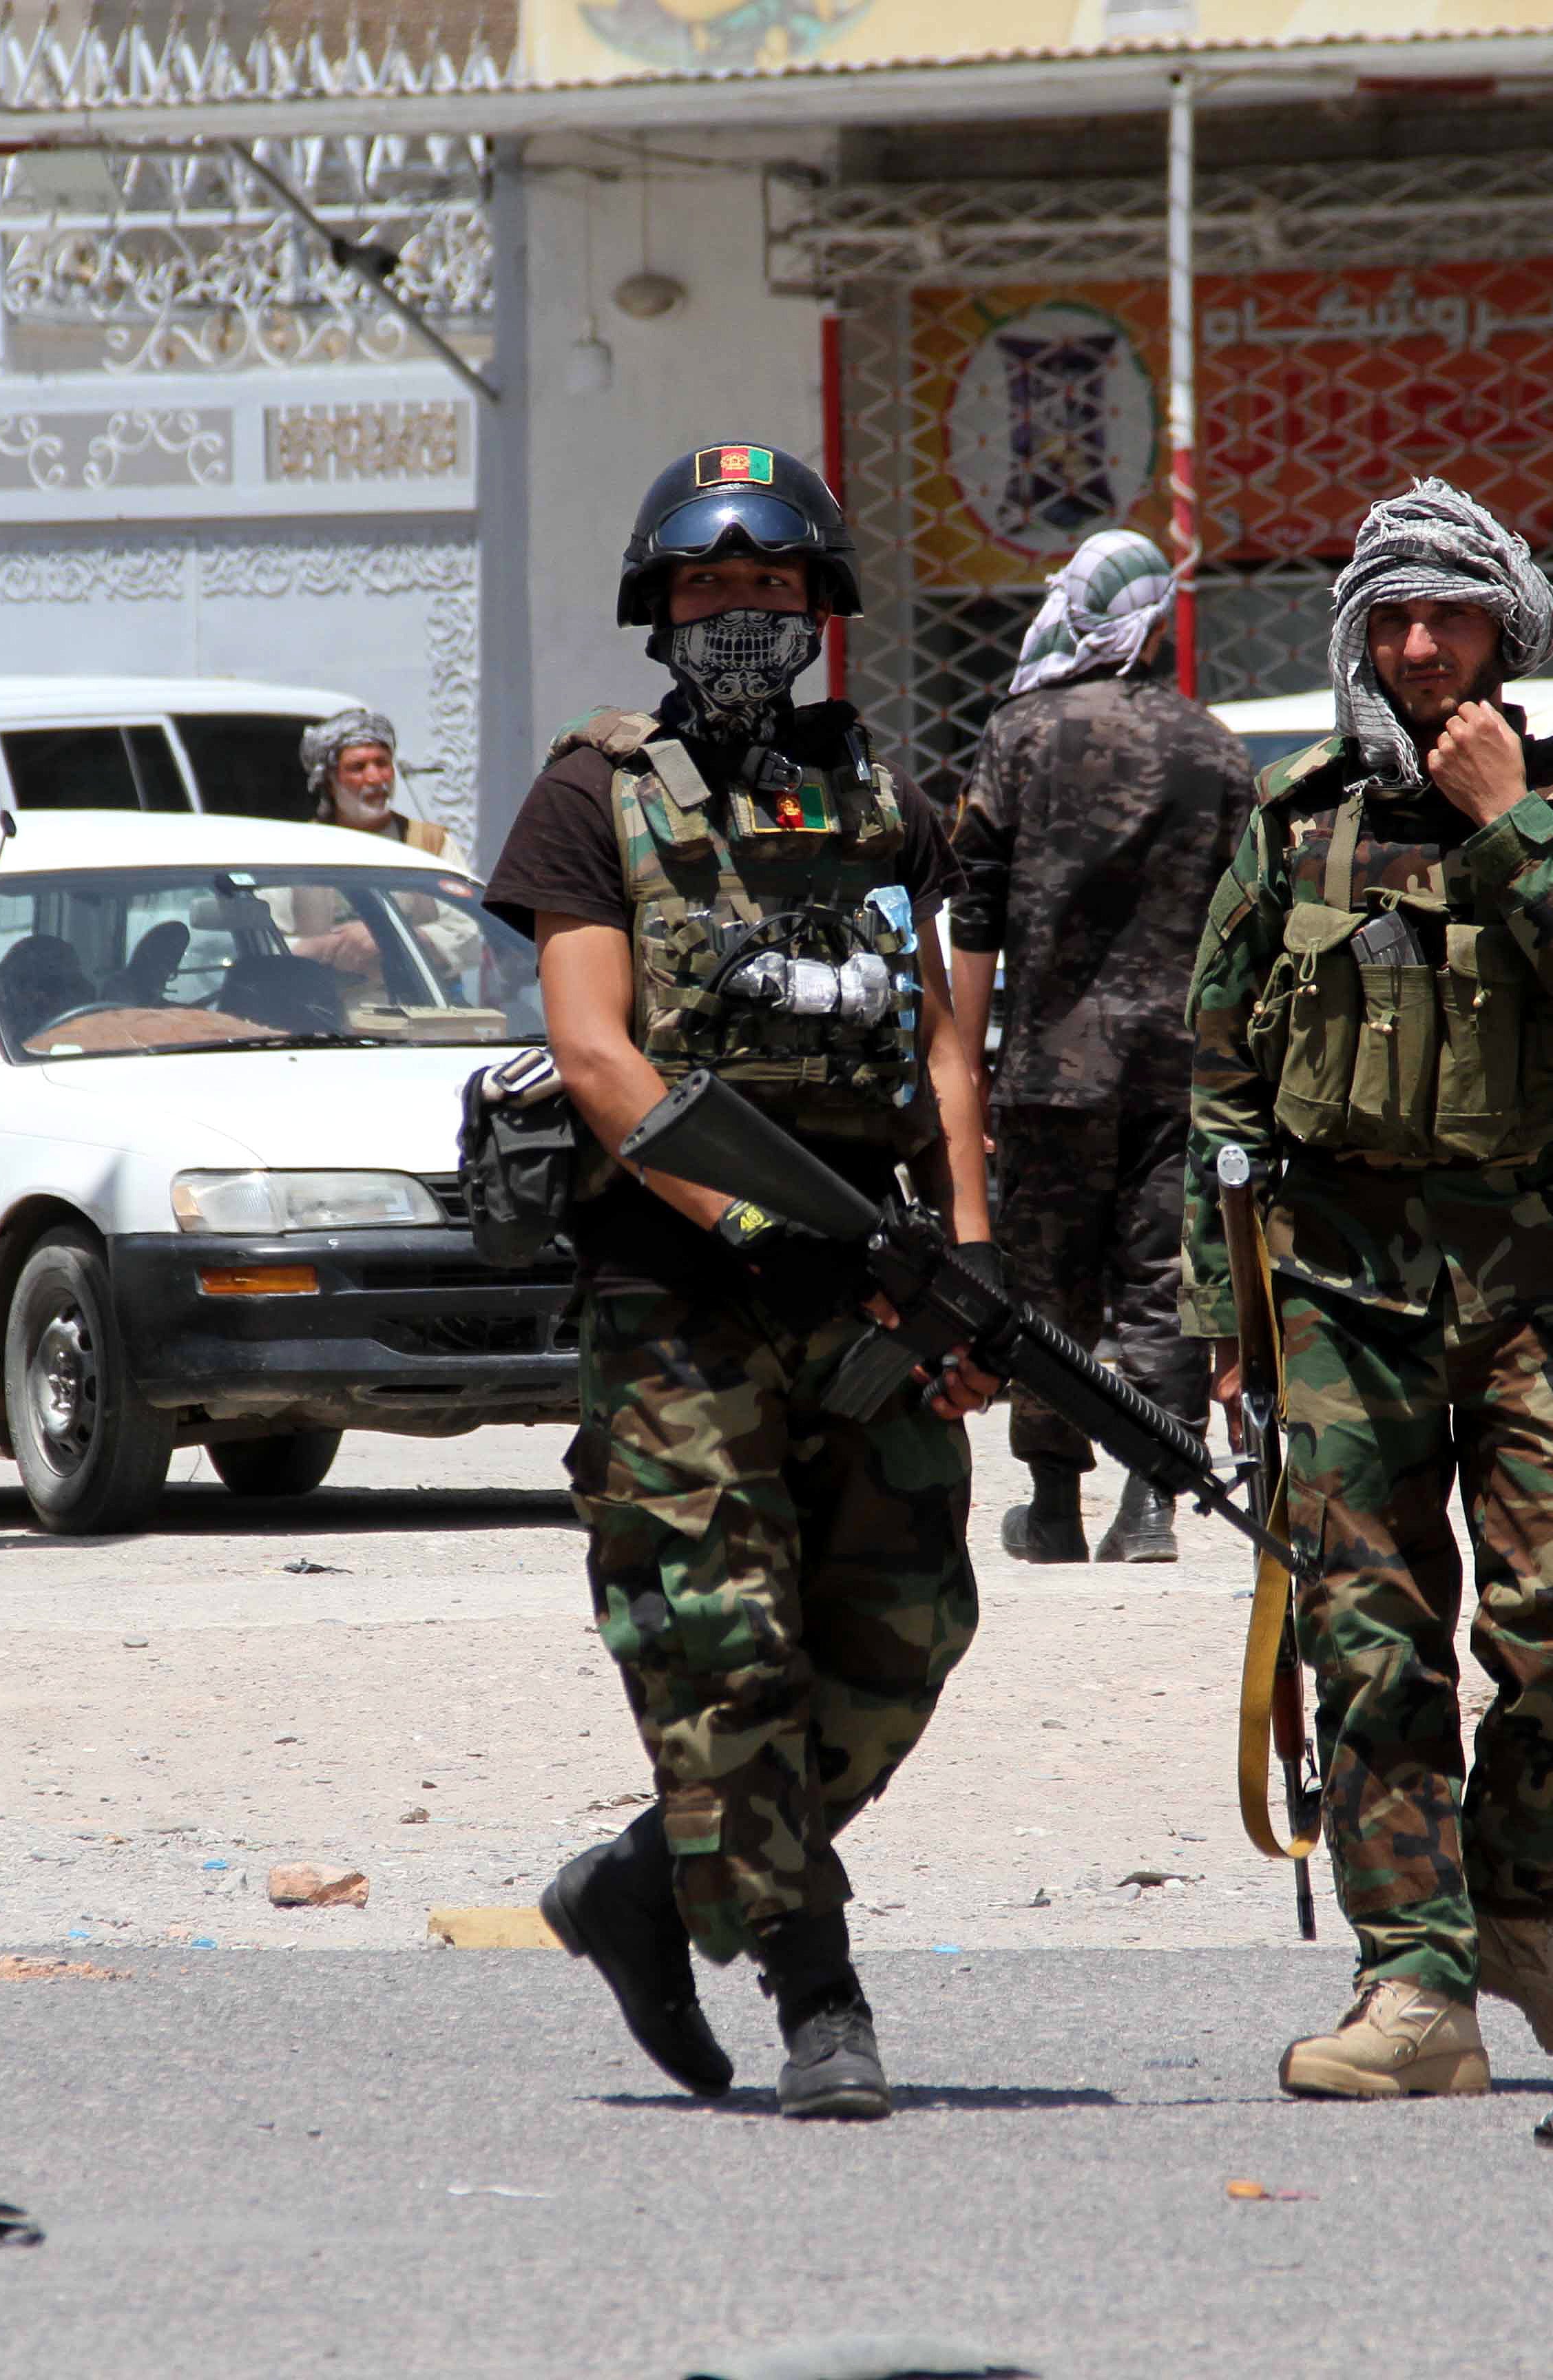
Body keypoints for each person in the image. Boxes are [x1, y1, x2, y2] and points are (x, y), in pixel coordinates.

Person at [486, 441, 995, 2122]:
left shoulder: (879, 797)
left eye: (769, 588)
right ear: (655, 605)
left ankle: (647, 1878)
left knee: (913, 1622)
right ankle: (814, 1989)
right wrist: (753, 1228)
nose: (738, 617)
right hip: (678, 1298)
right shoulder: (588, 796)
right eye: (708, 588)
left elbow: (935, 1039)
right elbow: (594, 1053)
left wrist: (968, 1259)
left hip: (866, 1285)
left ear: (819, 609)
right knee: (729, 1654)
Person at [1185, 479, 1553, 2100]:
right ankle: (1412, 1985)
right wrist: (1223, 1318)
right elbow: (1219, 1078)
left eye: (1449, 614)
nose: (1416, 644)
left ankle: (1520, 1912)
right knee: (1370, 1644)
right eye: (1390, 616)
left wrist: (1504, 821)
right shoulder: (1294, 813)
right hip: (1338, 1293)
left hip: (1536, 1285)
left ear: (1506, 629)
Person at [950, 526, 1250, 1565]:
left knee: (1049, 1285)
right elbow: (1246, 919)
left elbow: (975, 908)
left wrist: (967, 1055)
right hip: (1184, 1066)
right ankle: (1154, 1504)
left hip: (1049, 1068)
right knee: (1161, 1281)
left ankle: (1052, 1503)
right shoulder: (1215, 747)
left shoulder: (1021, 733)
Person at [303, 707, 448, 855]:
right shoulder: (307, 844)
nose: (375, 779)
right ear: (329, 783)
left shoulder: (429, 842)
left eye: (382, 763)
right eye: (358, 767)